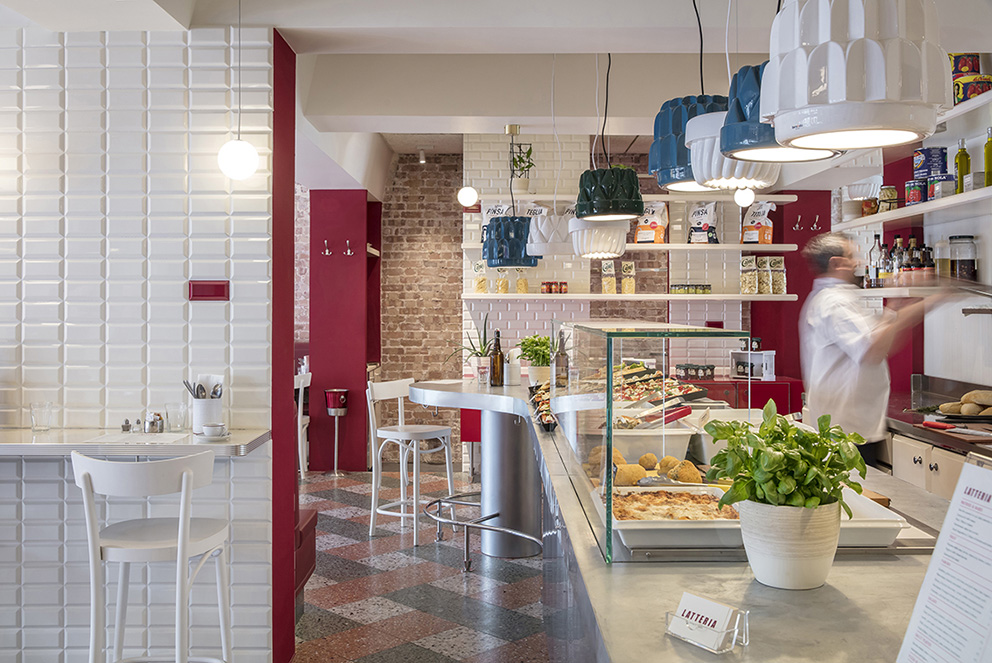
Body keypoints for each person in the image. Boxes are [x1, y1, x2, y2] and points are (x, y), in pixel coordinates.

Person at [799, 233, 942, 465]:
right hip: (846, 433)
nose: (859, 263)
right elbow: (872, 350)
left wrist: (896, 306)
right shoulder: (835, 302)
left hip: (852, 427)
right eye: (852, 257)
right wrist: (933, 301)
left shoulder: (836, 299)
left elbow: (881, 342)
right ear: (836, 263)